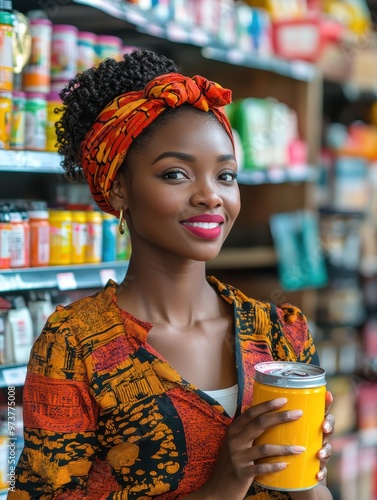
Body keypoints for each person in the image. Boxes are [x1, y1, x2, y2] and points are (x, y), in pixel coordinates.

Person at [10, 49, 334, 500]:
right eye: (176, 174)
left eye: (225, 175)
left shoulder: (279, 335)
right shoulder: (74, 345)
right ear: (119, 187)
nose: (211, 196)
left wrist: (306, 473)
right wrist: (226, 481)